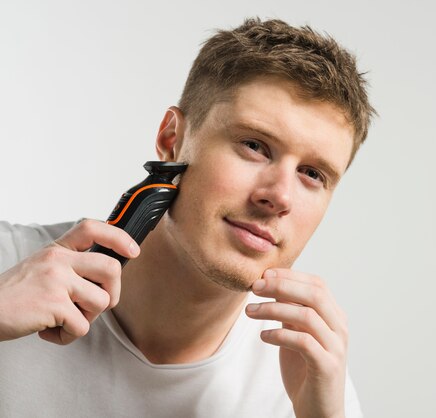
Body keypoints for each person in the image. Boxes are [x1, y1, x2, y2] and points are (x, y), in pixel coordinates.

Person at [0, 17, 374, 417]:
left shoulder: (307, 383)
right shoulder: (9, 272)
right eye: (254, 145)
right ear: (171, 139)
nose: (279, 196)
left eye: (313, 174)